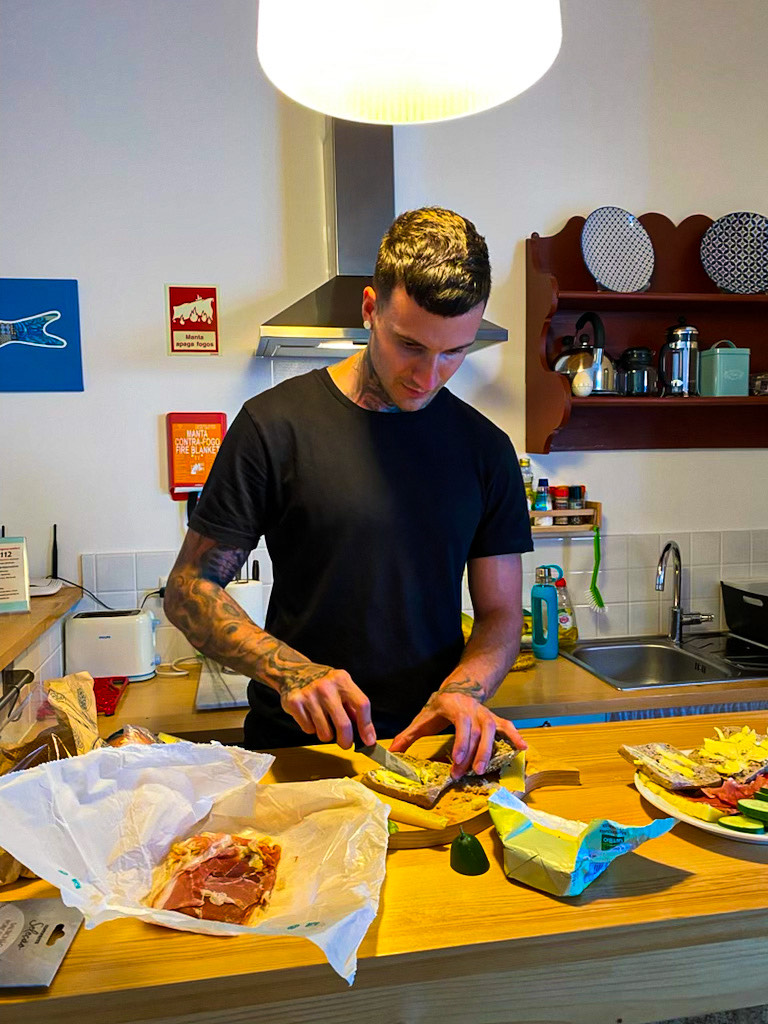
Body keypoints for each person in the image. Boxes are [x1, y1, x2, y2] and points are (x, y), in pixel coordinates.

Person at [164, 206, 533, 778]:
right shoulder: (274, 426)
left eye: (455, 352)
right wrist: (292, 672)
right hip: (298, 748)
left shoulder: (486, 450)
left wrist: (467, 691)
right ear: (369, 310)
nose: (428, 375)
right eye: (410, 345)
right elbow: (189, 588)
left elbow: (502, 613)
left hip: (431, 750)